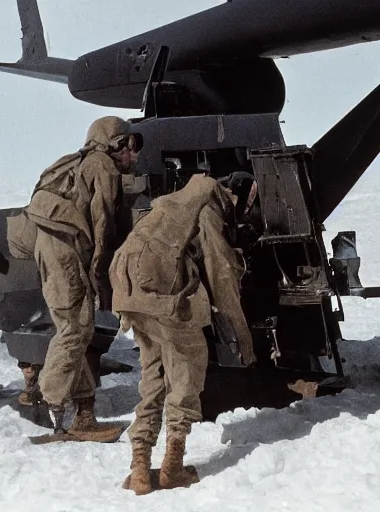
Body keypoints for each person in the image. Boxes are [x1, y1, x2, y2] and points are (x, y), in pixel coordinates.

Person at [111, 172, 257, 495]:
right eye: (247, 201)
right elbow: (222, 276)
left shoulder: (176, 201)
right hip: (160, 282)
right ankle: (172, 467)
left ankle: (139, 467)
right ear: (232, 195)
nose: (246, 209)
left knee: (153, 372)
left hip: (128, 281)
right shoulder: (208, 209)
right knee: (188, 364)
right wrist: (243, 338)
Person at [14, 116, 140, 436]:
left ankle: (84, 414)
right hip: (65, 251)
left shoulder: (70, 162)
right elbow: (102, 226)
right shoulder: (103, 166)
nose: (134, 154)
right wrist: (102, 276)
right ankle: (53, 400)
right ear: (116, 145)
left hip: (48, 247)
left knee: (77, 329)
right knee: (75, 329)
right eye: (131, 145)